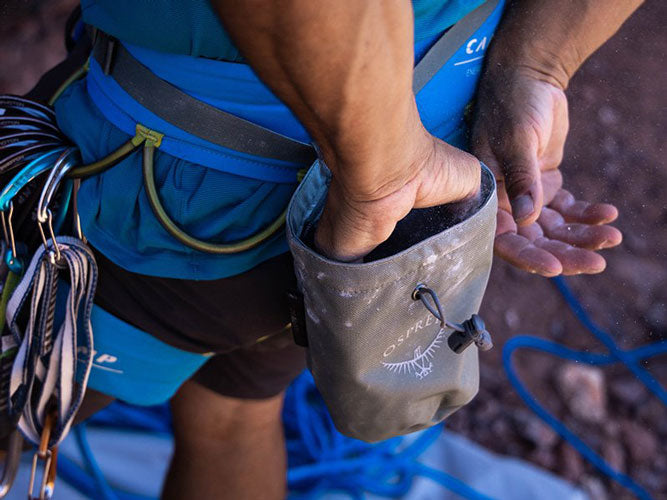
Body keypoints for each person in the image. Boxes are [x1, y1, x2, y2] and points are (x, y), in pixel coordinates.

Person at [42, 0, 638, 498]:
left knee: (23, 402)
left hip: (187, 204)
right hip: (410, 216)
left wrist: (387, 173)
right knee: (235, 414)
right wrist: (539, 66)